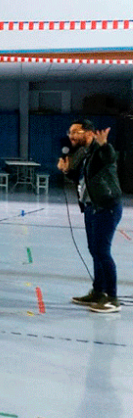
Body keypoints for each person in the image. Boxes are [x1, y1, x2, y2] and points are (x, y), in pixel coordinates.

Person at [59, 119, 123, 313]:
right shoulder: (84, 153)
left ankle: (112, 298)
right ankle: (97, 292)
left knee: (102, 252)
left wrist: (104, 144)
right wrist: (67, 171)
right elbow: (80, 178)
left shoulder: (100, 150)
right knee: (95, 250)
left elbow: (109, 157)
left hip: (107, 207)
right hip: (91, 207)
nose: (71, 136)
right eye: (70, 132)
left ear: (89, 133)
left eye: (75, 132)